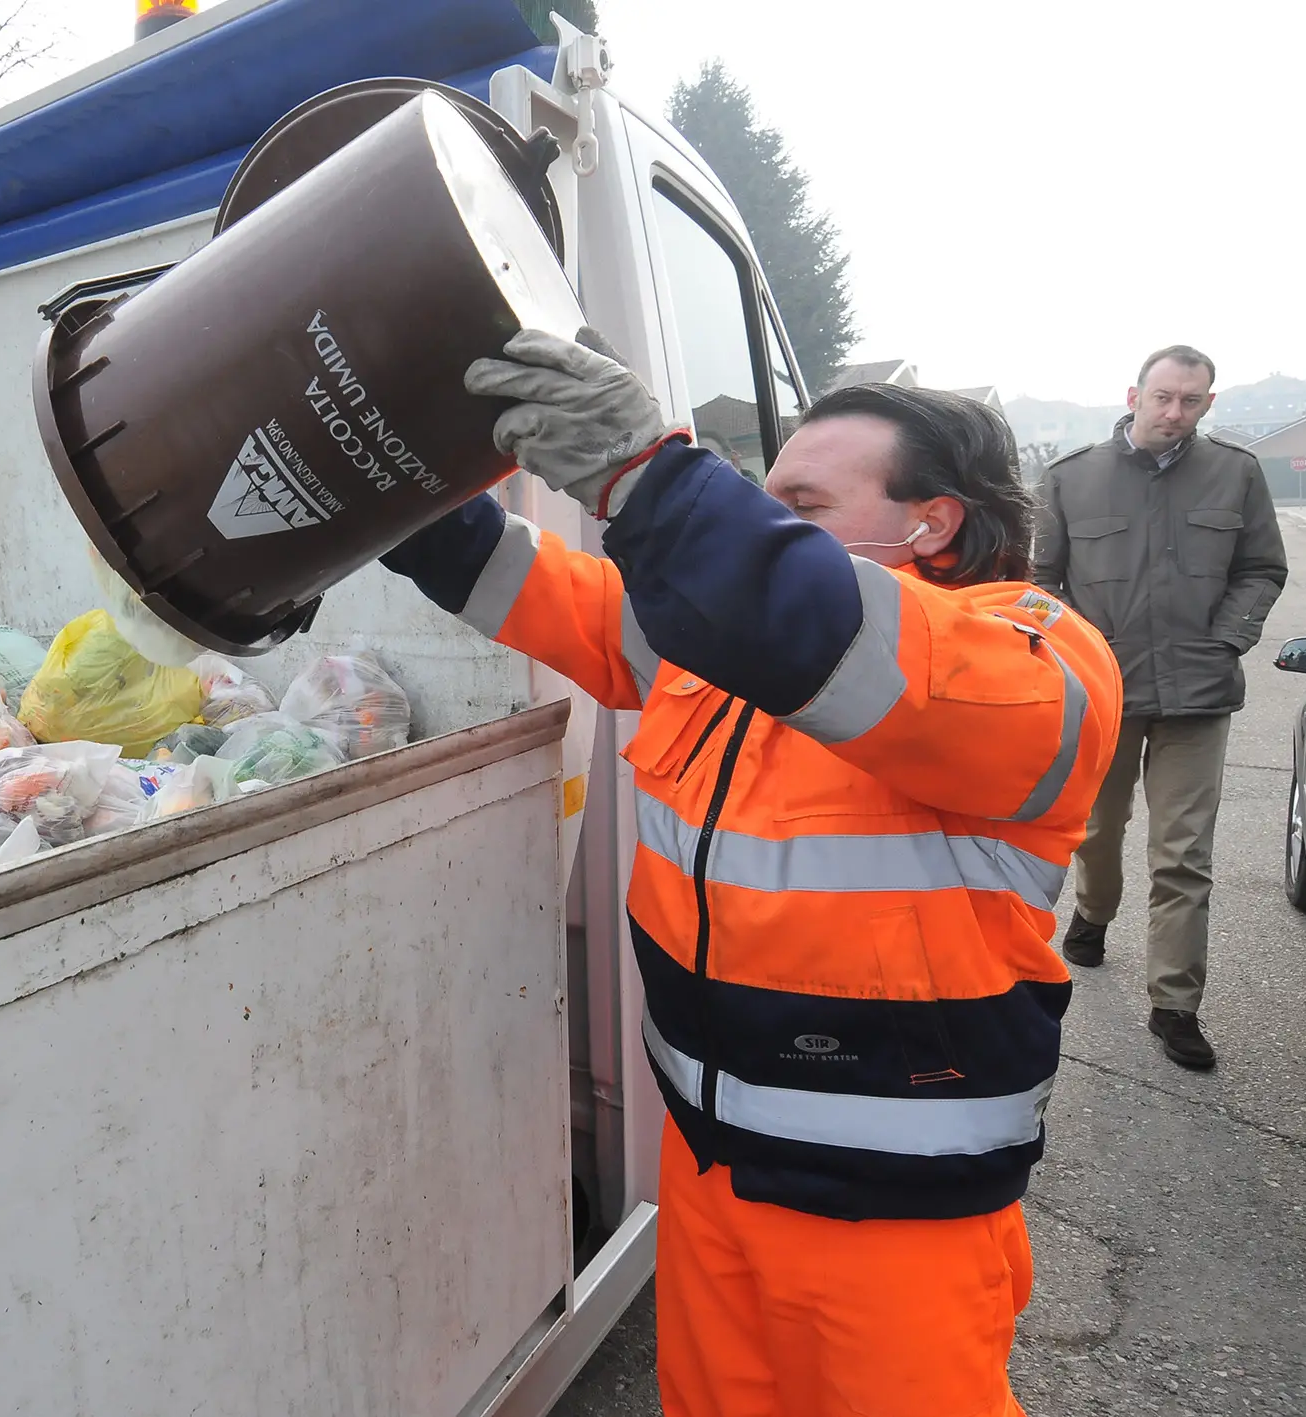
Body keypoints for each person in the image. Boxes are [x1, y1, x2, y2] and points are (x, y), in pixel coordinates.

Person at [382, 331, 1121, 1417]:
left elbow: (863, 653)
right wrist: (401, 497)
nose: (767, 522)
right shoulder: (719, 641)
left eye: (802, 506)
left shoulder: (1029, 658)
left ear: (933, 521)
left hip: (891, 1223)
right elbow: (551, 594)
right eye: (760, 500)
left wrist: (652, 480)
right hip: (713, 1173)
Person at [1032, 346, 1286, 1070]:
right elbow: (1042, 583)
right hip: (1106, 692)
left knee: (1184, 853)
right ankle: (1095, 910)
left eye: (1192, 401)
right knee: (1097, 827)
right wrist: (1080, 657)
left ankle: (1175, 1002)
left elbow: (1262, 567)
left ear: (1209, 403)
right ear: (1135, 394)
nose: (1175, 413)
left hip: (1198, 695)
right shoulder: (1072, 478)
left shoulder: (1235, 474)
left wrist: (1226, 640)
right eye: (1164, 397)